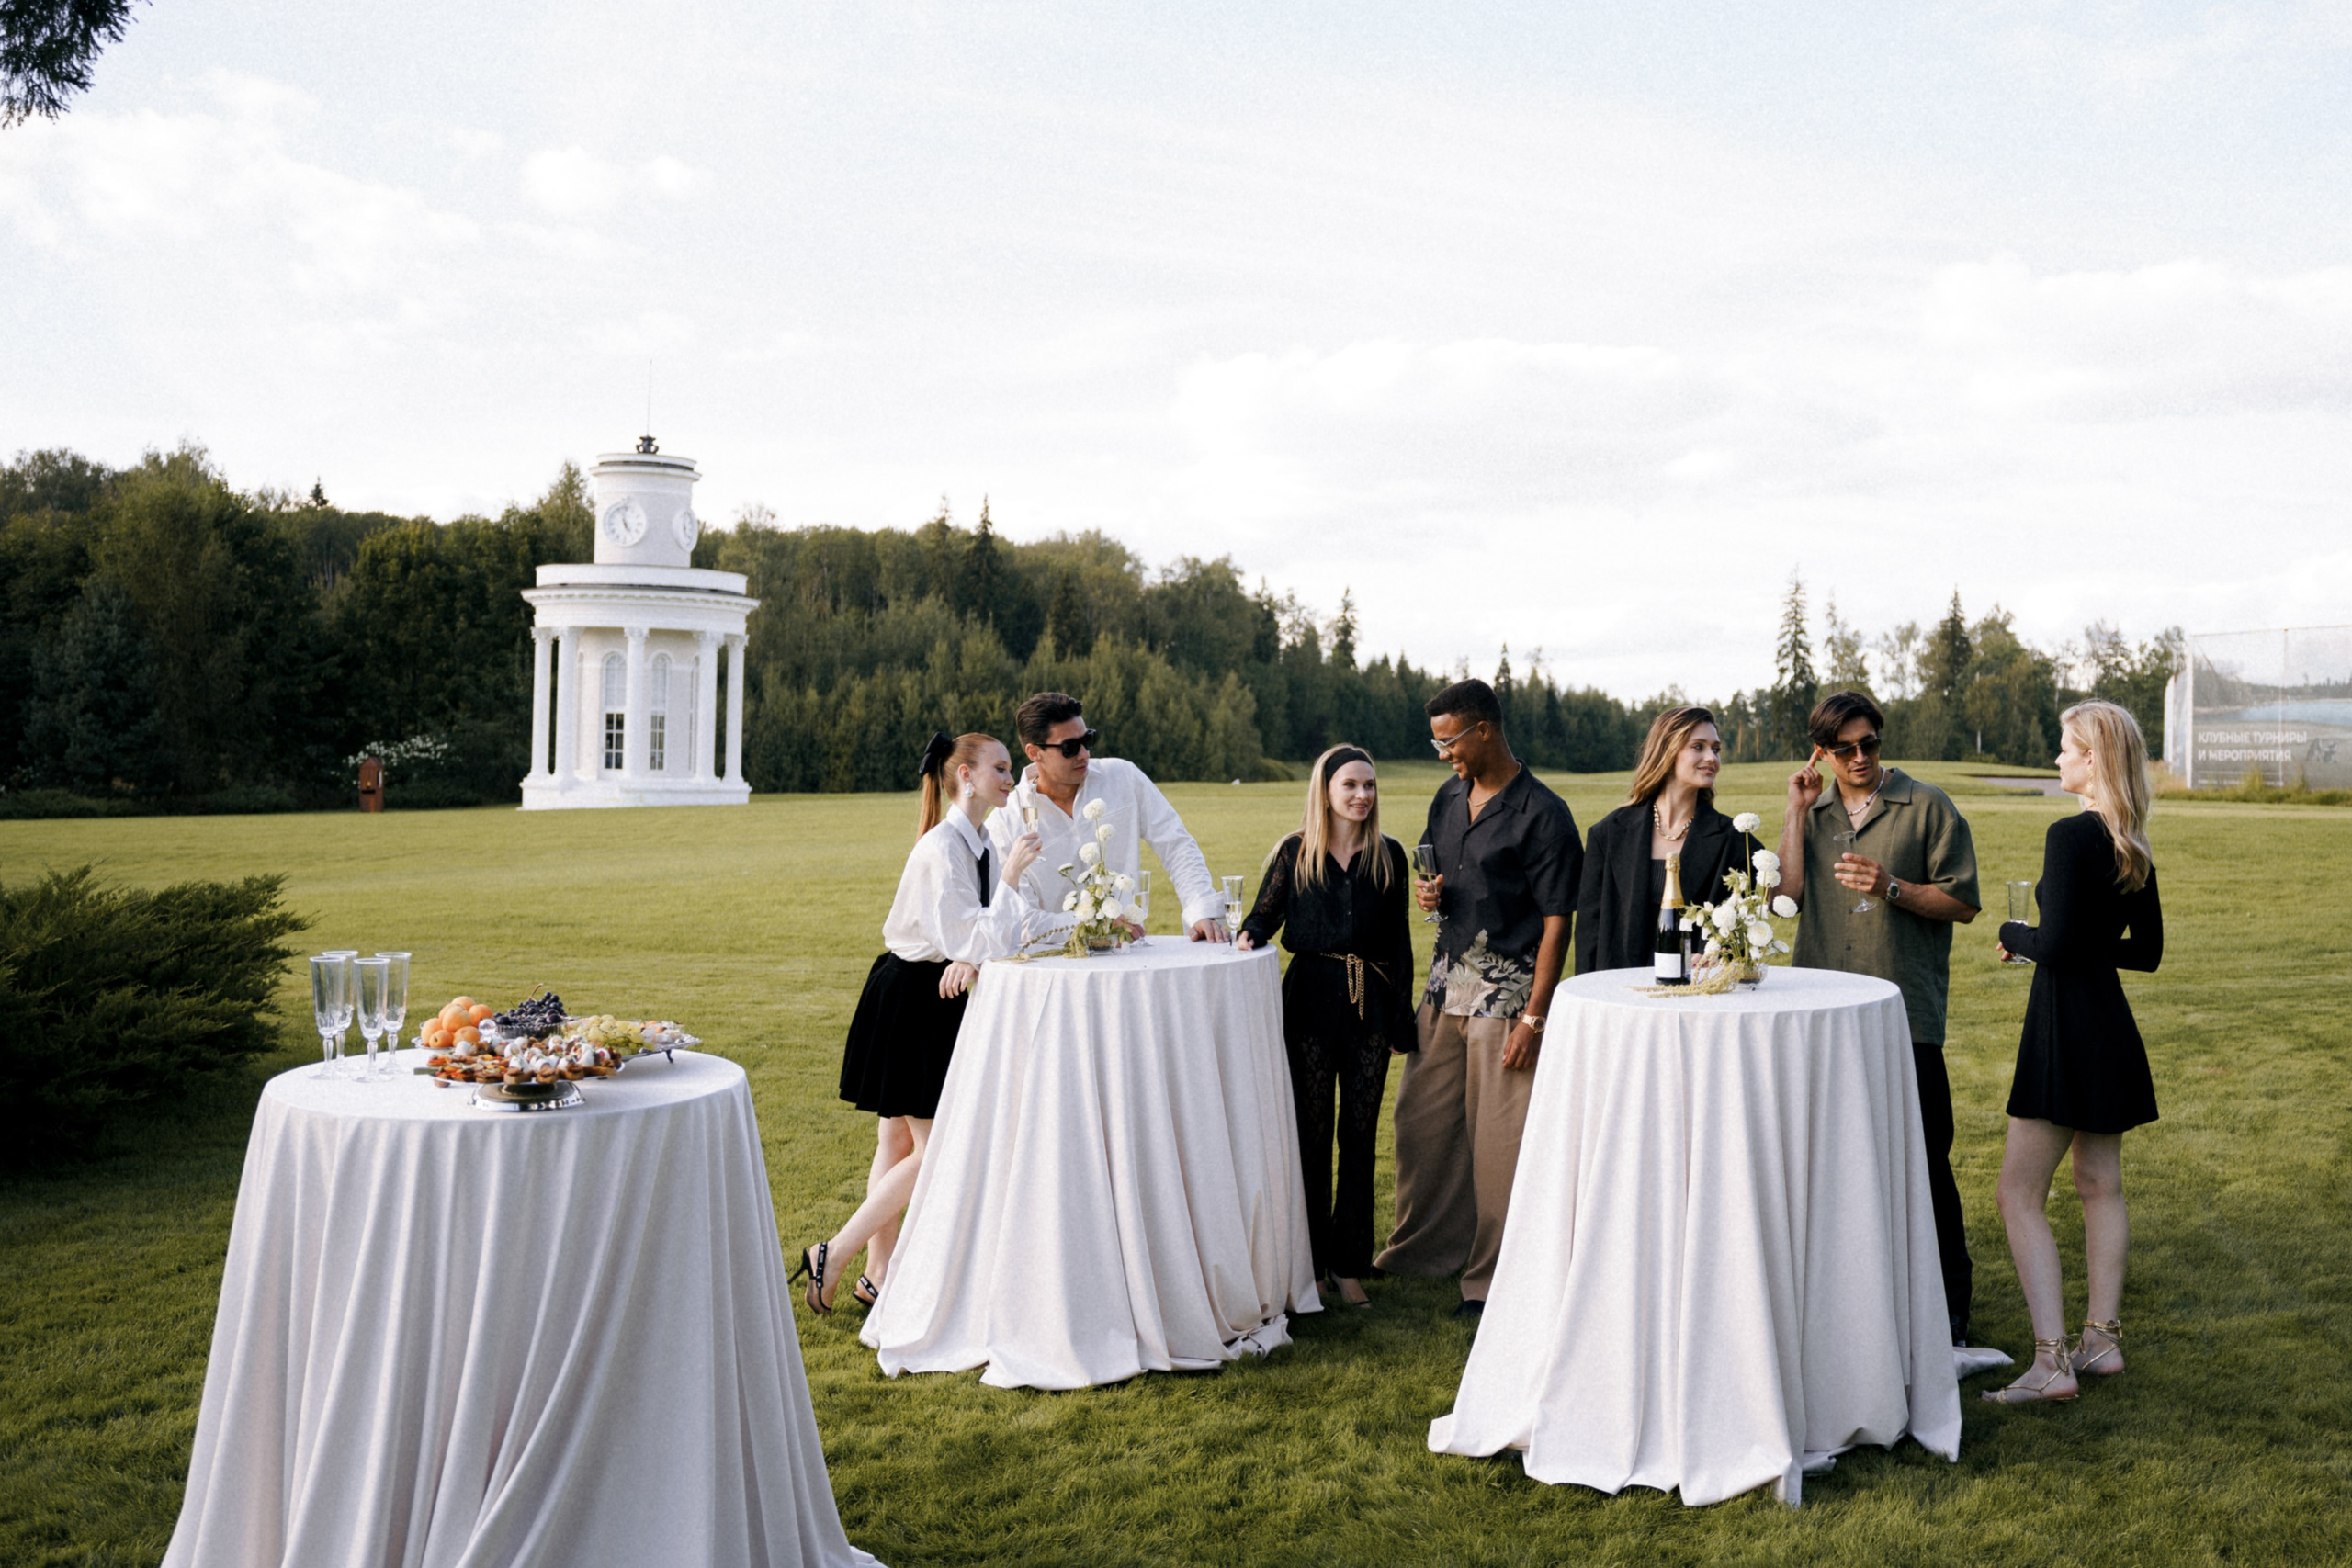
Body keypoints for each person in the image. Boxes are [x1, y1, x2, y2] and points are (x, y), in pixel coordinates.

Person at [798, 731, 1047, 1314]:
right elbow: (971, 935)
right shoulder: (943, 849)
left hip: (928, 991)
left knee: (897, 1138)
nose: (1011, 779)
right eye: (1001, 768)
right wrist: (1004, 888)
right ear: (966, 776)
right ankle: (833, 1255)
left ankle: (877, 1275)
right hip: (913, 996)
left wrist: (979, 941)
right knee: (933, 1151)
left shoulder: (981, 840)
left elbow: (988, 937)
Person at [1779, 690, 1982, 1347]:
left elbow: (1962, 902)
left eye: (1870, 742)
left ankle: (1950, 1304)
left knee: (1924, 1156)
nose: (1862, 756)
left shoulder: (1927, 806)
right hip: (1823, 1013)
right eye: (1846, 748)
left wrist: (1890, 886)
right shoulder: (1815, 811)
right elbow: (1789, 894)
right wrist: (1794, 808)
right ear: (1823, 752)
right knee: (1832, 1160)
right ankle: (1850, 1301)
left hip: (1904, 1013)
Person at [1376, 679, 1583, 1317]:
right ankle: (1423, 1252)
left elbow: (1557, 922)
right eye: (1436, 741)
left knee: (1500, 1148)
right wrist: (1430, 895)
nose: (1443, 753)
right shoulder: (1449, 795)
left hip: (1507, 998)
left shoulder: (1543, 814)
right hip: (1444, 989)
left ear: (1485, 729)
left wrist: (1534, 1015)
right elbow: (1440, 872)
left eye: (1449, 740)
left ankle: (1493, 1281)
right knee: (1420, 1123)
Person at [1981, 699, 2164, 1405]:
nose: (2057, 759)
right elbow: (2143, 954)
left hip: (2063, 1028)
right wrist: (2073, 942)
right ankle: (2102, 1340)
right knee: (2100, 1183)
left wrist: (2012, 929)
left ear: (2093, 760)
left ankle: (2052, 1361)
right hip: (2110, 1030)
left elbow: (2052, 946)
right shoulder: (2132, 843)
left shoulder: (2068, 833)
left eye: (2065, 748)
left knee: (2017, 1191)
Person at [1237, 745, 1417, 1308]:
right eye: (1351, 786)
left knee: (1359, 1140)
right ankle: (1308, 1264)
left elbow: (1399, 943)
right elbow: (1264, 918)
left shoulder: (1388, 855)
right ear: (1326, 791)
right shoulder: (1296, 853)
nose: (1363, 795)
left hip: (1370, 1007)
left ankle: (1347, 1265)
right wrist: (1241, 935)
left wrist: (1401, 1018)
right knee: (1311, 1139)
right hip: (1310, 1004)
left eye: (1369, 785)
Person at [986, 691, 1230, 941]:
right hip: (1052, 968)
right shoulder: (1005, 822)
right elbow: (1021, 919)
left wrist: (1200, 910)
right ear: (1034, 752)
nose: (1084, 754)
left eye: (1087, 740)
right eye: (1070, 747)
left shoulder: (1123, 777)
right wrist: (1094, 924)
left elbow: (1176, 844)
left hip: (1126, 954)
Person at [1574, 705, 1751, 975]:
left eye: (1716, 749)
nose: (1711, 758)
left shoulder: (1732, 837)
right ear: (1667, 751)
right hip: (1623, 994)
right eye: (1698, 747)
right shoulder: (1608, 834)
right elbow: (1588, 934)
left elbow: (1771, 894)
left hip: (1698, 995)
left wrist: (1797, 809)